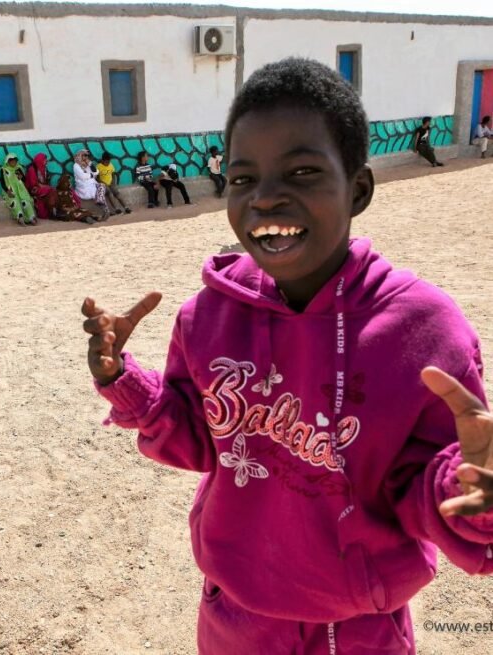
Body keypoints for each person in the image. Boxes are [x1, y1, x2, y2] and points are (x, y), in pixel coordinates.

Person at [81, 58, 493, 654]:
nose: (266, 199)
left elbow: (421, 487)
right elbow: (200, 437)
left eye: (301, 172)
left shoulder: (424, 331)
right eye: (243, 179)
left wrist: (469, 489)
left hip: (359, 632)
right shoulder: (208, 318)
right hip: (235, 621)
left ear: (357, 189)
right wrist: (124, 380)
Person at [0, 153, 37, 226]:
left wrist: (21, 177)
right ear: (8, 161)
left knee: (25, 201)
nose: (14, 163)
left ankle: (31, 218)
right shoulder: (4, 170)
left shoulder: (18, 168)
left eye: (15, 161)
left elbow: (24, 179)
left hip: (21, 190)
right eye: (12, 161)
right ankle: (20, 218)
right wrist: (8, 191)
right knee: (15, 201)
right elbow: (2, 182)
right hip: (10, 191)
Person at [72, 150, 110, 220]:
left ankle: (106, 211)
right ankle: (103, 209)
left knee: (102, 186)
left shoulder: (87, 164)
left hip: (92, 184)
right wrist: (92, 175)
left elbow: (96, 172)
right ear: (80, 155)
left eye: (87, 156)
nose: (86, 157)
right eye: (85, 155)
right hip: (83, 187)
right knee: (98, 192)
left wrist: (90, 164)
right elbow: (82, 176)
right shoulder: (76, 165)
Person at [24, 152, 58, 219]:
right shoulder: (32, 169)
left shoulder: (44, 169)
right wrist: (44, 186)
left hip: (43, 188)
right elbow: (33, 184)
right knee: (51, 190)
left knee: (51, 192)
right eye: (45, 160)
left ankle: (52, 210)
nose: (46, 162)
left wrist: (45, 186)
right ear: (40, 160)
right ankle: (53, 210)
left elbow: (46, 181)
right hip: (34, 189)